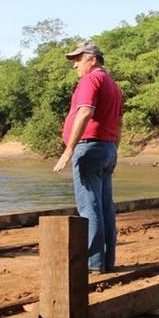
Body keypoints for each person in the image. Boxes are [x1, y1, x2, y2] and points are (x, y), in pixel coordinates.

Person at [53, 41, 124, 273]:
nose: (75, 66)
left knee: (89, 207)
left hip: (90, 148)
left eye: (78, 59)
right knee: (104, 207)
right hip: (107, 149)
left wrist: (69, 149)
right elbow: (120, 123)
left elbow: (85, 111)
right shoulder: (113, 85)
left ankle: (93, 265)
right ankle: (105, 263)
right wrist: (114, 150)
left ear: (91, 59)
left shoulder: (91, 79)